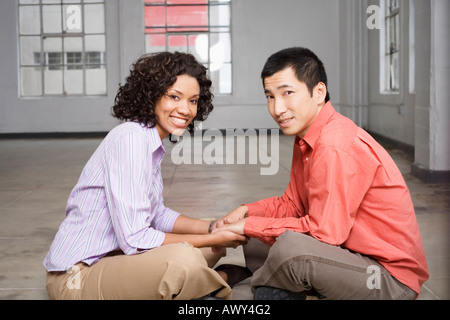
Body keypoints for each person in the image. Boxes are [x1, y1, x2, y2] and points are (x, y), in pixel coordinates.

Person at [214, 47, 429, 300]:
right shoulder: (307, 135)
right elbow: (292, 204)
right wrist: (246, 212)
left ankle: (259, 282)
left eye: (288, 93)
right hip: (351, 255)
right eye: (270, 96)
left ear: (318, 92)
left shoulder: (334, 144)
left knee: (289, 247)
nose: (277, 108)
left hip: (387, 278)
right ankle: (268, 279)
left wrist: (250, 224)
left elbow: (325, 233)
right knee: (257, 232)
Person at [43, 52, 247, 300]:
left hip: (115, 259)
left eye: (193, 101)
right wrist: (211, 237)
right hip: (76, 276)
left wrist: (213, 227)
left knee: (209, 246)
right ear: (151, 96)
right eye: (174, 97)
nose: (185, 109)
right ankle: (217, 283)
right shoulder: (130, 139)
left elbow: (157, 214)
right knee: (185, 258)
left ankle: (193, 284)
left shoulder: (147, 140)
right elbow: (136, 238)